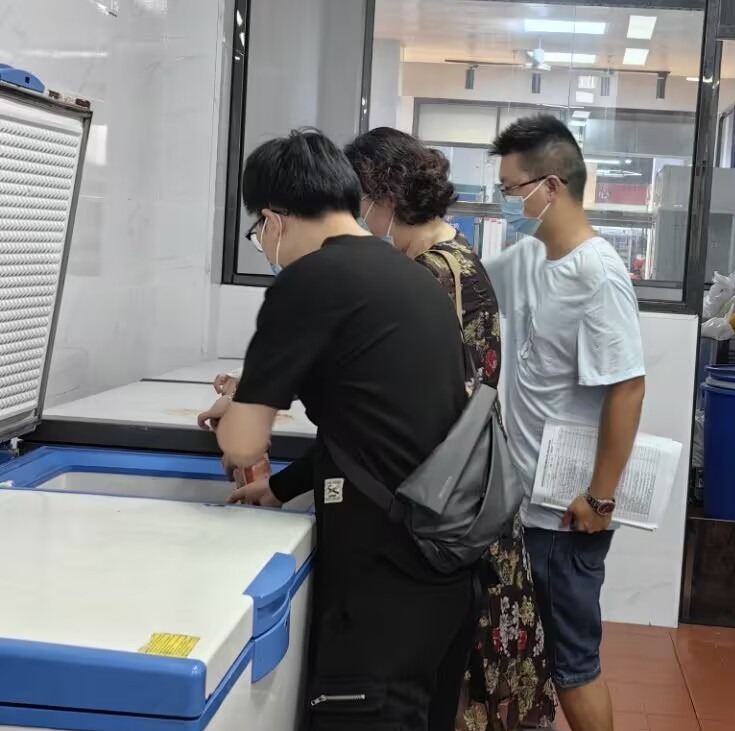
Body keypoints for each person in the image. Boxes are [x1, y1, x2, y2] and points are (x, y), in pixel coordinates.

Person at [215, 129, 477, 731]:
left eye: (258, 232)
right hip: (442, 571)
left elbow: (242, 442)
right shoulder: (411, 276)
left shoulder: (308, 282)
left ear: (274, 219)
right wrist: (280, 488)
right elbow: (376, 425)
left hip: (384, 580)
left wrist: (239, 411)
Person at [344, 127, 557, 731]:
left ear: (384, 196)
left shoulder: (430, 276)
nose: (359, 215)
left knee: (461, 672)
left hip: (453, 500)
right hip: (478, 484)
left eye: (360, 199)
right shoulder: (457, 256)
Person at [485, 116, 646, 731]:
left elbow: (627, 388)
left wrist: (599, 498)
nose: (506, 200)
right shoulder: (528, 258)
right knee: (528, 653)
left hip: (567, 514)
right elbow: (460, 281)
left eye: (511, 188)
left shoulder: (597, 274)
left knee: (572, 666)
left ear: (550, 187)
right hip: (522, 502)